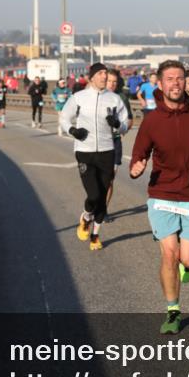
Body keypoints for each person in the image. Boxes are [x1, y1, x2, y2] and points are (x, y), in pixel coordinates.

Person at [129, 61, 189, 335]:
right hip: (162, 194)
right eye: (169, 78)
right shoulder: (152, 120)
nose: (175, 83)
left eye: (180, 78)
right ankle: (173, 310)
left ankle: (188, 267)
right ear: (160, 83)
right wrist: (137, 166)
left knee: (188, 259)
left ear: (187, 82)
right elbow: (139, 152)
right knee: (169, 255)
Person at [59, 63, 130, 250]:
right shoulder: (79, 97)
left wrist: (117, 124)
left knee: (103, 194)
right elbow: (64, 118)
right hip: (84, 150)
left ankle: (95, 236)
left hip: (107, 150)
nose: (104, 77)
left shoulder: (114, 99)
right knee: (94, 194)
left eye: (106, 74)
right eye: (100, 73)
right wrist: (73, 130)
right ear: (91, 78)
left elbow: (124, 124)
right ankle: (86, 216)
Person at [104, 69, 134, 216]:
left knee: (109, 180)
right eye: (109, 81)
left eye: (114, 82)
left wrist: (122, 128)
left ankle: (103, 210)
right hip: (98, 143)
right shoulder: (96, 96)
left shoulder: (122, 97)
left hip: (115, 143)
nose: (111, 84)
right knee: (97, 181)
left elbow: (130, 120)